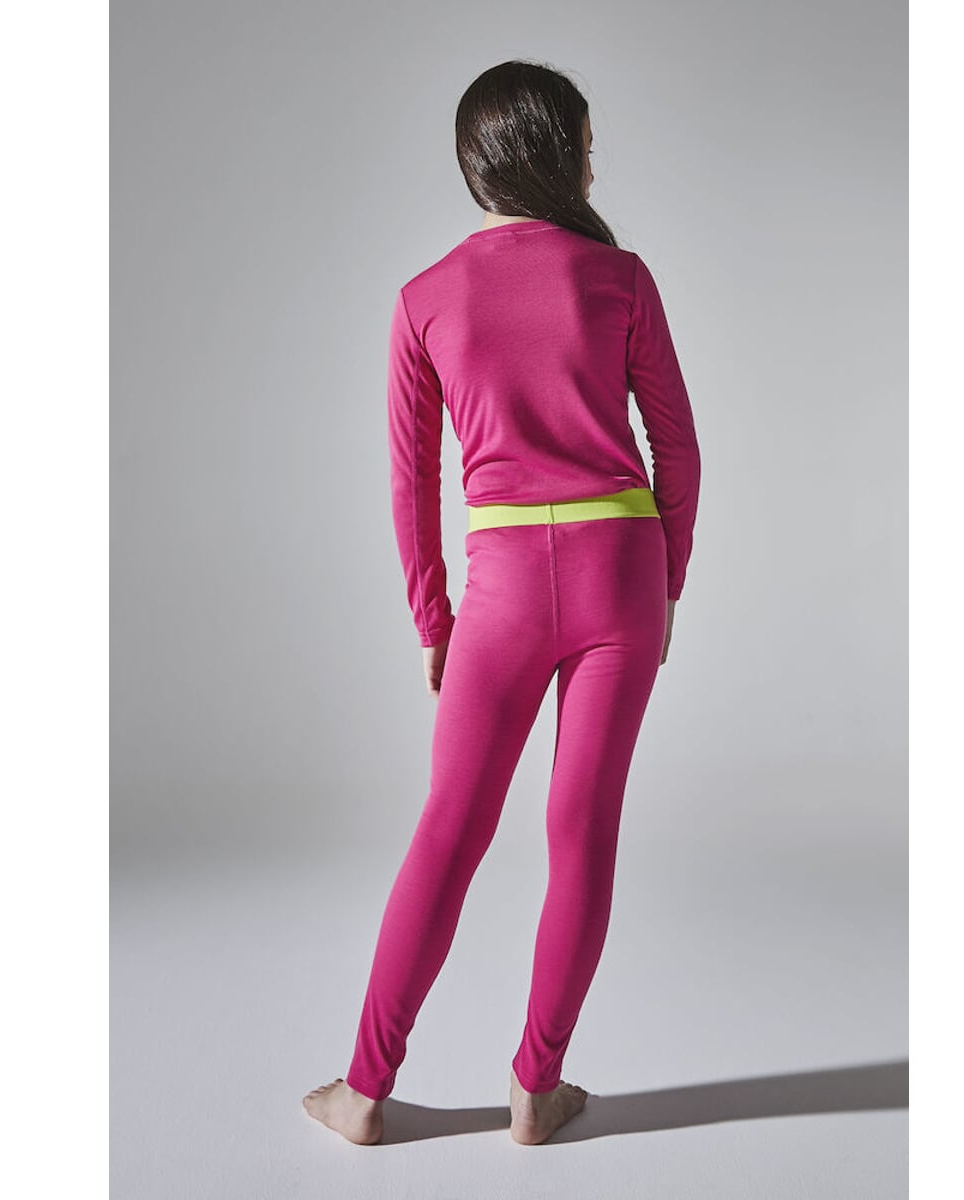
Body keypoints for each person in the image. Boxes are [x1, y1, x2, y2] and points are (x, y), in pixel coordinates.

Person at [303, 59, 701, 1146]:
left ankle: (364, 1093)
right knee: (583, 831)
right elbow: (677, 447)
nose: (592, 168)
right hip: (623, 570)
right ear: (555, 154)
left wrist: (432, 620)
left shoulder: (425, 297)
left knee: (449, 829)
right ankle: (537, 1087)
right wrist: (666, 580)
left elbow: (410, 479)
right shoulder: (621, 278)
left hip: (505, 586)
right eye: (586, 147)